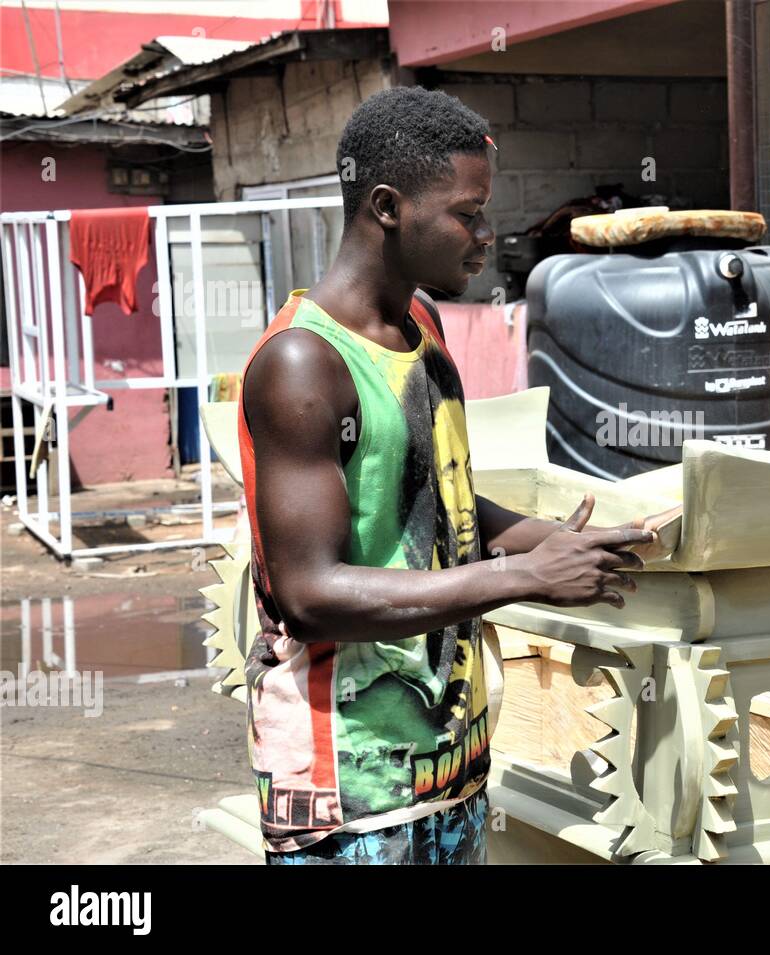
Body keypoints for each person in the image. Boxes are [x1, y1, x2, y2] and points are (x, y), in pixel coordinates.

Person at [237, 86, 656, 865]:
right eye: (468, 213)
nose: (487, 237)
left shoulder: (419, 327)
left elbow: (438, 500)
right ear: (389, 206)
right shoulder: (304, 363)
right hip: (349, 802)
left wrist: (566, 544)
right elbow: (311, 593)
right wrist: (526, 576)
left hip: (454, 770)